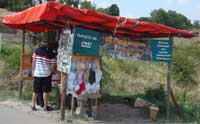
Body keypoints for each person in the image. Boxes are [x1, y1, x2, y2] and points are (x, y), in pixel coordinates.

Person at [32, 42, 56, 111]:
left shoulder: (36, 51)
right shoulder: (51, 53)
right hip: (46, 75)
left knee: (35, 91)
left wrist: (33, 71)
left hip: (37, 74)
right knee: (46, 91)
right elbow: (53, 66)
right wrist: (52, 72)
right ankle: (45, 107)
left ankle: (33, 106)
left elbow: (33, 62)